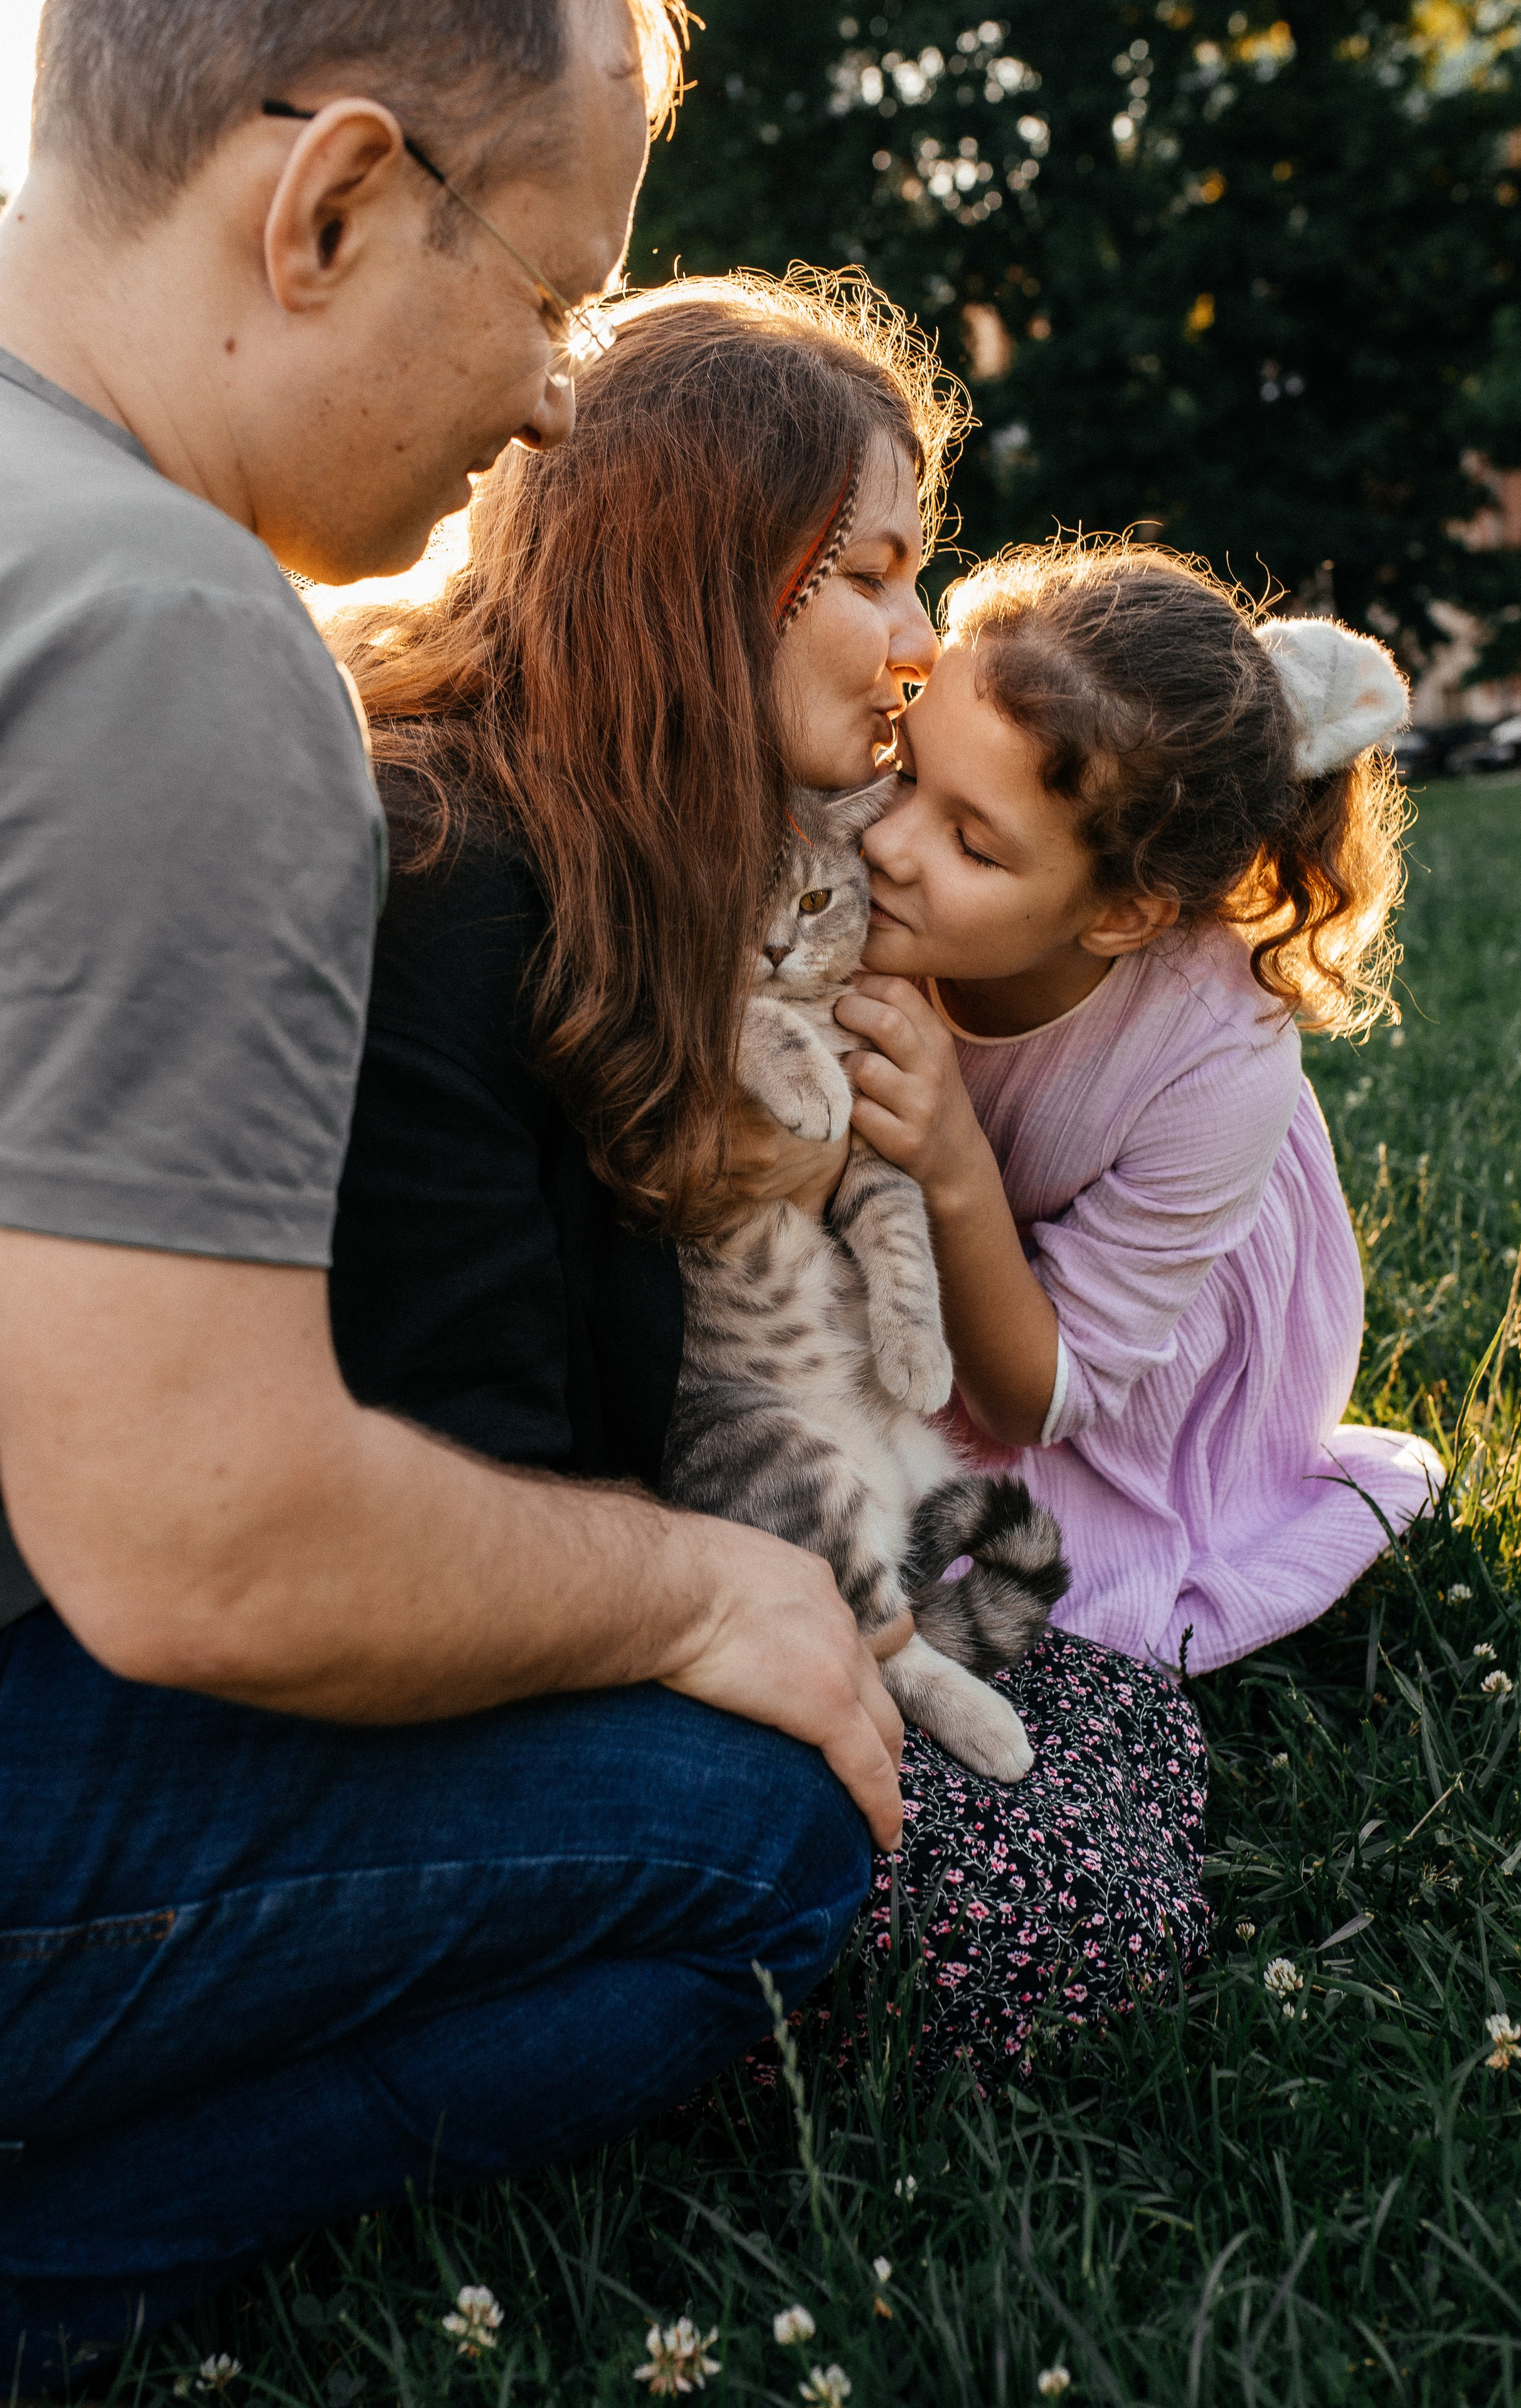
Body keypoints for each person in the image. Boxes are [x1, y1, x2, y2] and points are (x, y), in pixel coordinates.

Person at [0, 7, 909, 2387]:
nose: (546, 398)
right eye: (548, 295)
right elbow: (205, 1544)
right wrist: (711, 1585)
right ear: (328, 207)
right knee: (766, 1825)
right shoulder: (171, 637)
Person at [326, 275, 1212, 2094]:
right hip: (469, 1638)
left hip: (686, 1546)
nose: (918, 642)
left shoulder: (694, 848)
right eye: (877, 571)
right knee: (988, 1895)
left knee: (1112, 1725)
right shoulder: (447, 884)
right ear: (713, 568)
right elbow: (473, 1466)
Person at [835, 539, 1443, 1681]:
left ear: (1121, 916)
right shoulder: (866, 882)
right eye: (904, 769)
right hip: (939, 1257)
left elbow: (1036, 1400)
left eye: (970, 841)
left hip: (1108, 1356)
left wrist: (951, 1159)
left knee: (982, 1576)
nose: (886, 843)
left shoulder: (1219, 1066)